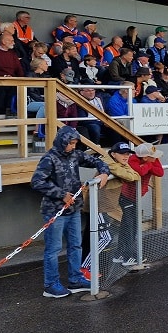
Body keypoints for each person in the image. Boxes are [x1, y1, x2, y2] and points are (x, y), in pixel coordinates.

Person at [31, 126, 110, 298]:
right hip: (55, 212)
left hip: (74, 209)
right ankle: (50, 285)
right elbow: (37, 182)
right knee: (53, 249)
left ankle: (76, 279)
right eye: (70, 143)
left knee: (75, 245)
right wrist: (61, 194)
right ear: (62, 141)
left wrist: (104, 173)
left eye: (75, 143)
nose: (73, 146)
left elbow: (97, 160)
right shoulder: (49, 158)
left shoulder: (75, 155)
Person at [81, 142, 140, 277]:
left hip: (105, 205)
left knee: (91, 237)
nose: (126, 157)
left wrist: (127, 171)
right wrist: (126, 172)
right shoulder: (108, 162)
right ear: (113, 154)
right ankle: (85, 267)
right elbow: (130, 176)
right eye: (122, 154)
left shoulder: (120, 163)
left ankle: (85, 266)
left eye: (127, 154)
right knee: (105, 237)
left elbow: (135, 175)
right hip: (98, 205)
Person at [113, 142, 164, 267]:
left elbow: (160, 172)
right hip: (126, 196)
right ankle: (127, 256)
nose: (155, 158)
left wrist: (149, 164)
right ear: (145, 156)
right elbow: (139, 172)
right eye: (152, 156)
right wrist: (148, 164)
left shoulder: (151, 160)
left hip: (136, 198)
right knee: (130, 226)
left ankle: (120, 254)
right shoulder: (133, 159)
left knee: (130, 225)